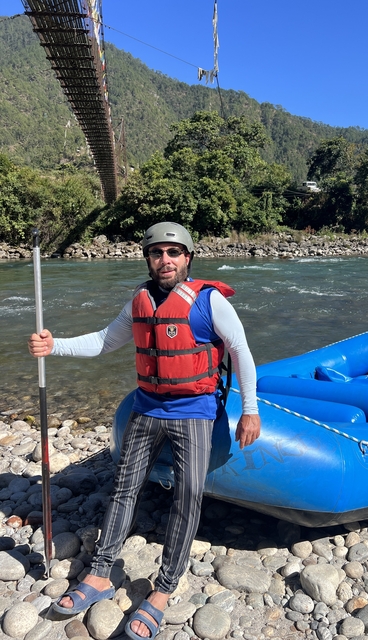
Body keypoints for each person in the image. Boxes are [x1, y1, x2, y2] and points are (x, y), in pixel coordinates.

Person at [28, 222, 261, 640]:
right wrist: (54, 345)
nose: (165, 260)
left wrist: (250, 411)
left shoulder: (209, 301)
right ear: (148, 259)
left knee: (187, 496)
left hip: (194, 413)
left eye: (174, 252)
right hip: (147, 408)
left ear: (188, 258)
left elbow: (242, 351)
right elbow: (104, 341)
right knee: (123, 488)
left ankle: (164, 590)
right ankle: (100, 574)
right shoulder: (138, 301)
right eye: (157, 253)